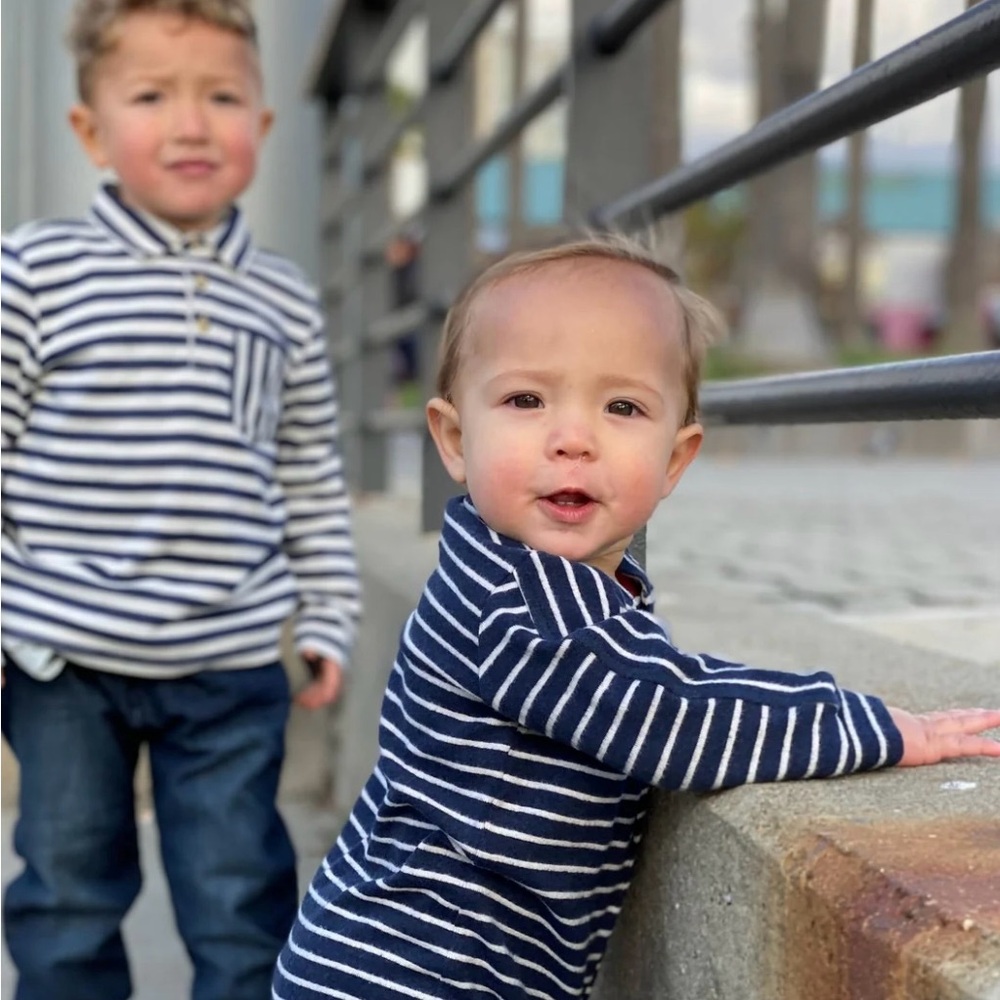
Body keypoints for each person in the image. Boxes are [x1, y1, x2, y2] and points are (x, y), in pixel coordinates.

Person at [272, 234, 1000, 1000]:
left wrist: (820, 700)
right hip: (412, 976)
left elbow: (670, 676)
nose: (573, 440)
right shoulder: (521, 610)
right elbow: (677, 721)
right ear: (455, 439)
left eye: (622, 407)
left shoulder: (541, 581)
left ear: (674, 460)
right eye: (526, 401)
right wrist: (878, 729)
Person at [0, 2, 361, 998]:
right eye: (152, 96)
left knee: (240, 890)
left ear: (264, 124)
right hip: (66, 653)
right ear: (91, 130)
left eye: (222, 96)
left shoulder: (282, 298)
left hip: (231, 658)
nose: (192, 123)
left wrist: (328, 608)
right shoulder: (35, 274)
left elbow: (308, 473)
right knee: (67, 887)